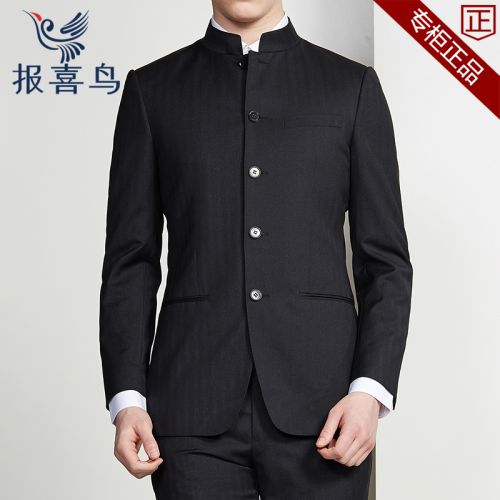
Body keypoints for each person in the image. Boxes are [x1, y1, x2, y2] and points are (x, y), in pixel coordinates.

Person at [99, 1, 413, 498]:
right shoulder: (153, 90)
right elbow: (130, 261)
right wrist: (127, 398)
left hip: (326, 408)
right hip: (189, 407)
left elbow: (386, 263)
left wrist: (369, 391)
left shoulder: (349, 87)